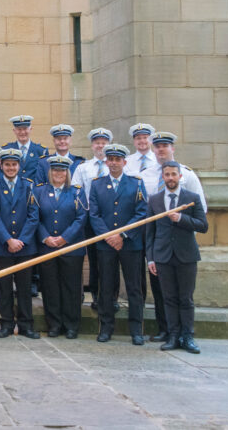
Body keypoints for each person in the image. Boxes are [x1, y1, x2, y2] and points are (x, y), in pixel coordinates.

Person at [88, 143, 148, 345]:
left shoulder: (136, 183)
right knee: (106, 287)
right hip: (106, 245)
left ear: (124, 162)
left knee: (134, 288)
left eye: (117, 160)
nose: (113, 163)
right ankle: (106, 328)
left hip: (130, 244)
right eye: (110, 159)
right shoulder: (97, 184)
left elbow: (141, 212)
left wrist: (122, 235)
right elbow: (94, 214)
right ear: (106, 162)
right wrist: (109, 236)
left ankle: (136, 330)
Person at [146, 161, 207, 354]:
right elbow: (150, 232)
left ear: (180, 176)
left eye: (174, 174)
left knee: (186, 298)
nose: (171, 178)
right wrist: (151, 258)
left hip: (186, 255)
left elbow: (203, 225)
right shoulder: (154, 200)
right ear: (162, 177)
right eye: (167, 175)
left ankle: (187, 336)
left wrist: (181, 219)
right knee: (169, 298)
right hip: (163, 256)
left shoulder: (192, 198)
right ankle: (173, 336)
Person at [0, 148, 39, 339]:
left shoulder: (29, 186)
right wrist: (8, 240)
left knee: (24, 287)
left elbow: (33, 215)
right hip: (2, 246)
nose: (10, 168)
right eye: (7, 164)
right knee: (4, 286)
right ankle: (6, 324)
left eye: (14, 164)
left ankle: (26, 325)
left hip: (25, 246)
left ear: (19, 166)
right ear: (1, 166)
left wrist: (21, 240)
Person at [35, 155, 88, 339]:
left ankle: (71, 325)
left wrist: (65, 238)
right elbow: (35, 217)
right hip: (47, 248)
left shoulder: (77, 192)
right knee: (50, 287)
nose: (59, 173)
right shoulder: (39, 191)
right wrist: (45, 237)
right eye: (55, 170)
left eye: (62, 170)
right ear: (50, 172)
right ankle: (54, 324)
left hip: (71, 248)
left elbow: (81, 218)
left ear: (67, 173)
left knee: (71, 288)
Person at [72, 127, 114, 311]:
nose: (100, 146)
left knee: (111, 259)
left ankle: (111, 297)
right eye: (97, 143)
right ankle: (96, 295)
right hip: (90, 218)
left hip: (112, 217)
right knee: (95, 258)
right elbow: (76, 192)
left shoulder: (116, 165)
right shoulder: (83, 168)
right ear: (92, 145)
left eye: (104, 143)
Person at [1, 115, 47, 182]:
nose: (22, 132)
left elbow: (44, 175)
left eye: (25, 129)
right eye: (19, 129)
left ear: (30, 129)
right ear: (14, 131)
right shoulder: (6, 150)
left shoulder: (41, 151)